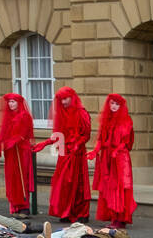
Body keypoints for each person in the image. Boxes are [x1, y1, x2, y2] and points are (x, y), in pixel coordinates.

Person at [35, 87, 92, 222]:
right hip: (64, 152)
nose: (64, 102)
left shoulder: (81, 113)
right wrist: (46, 143)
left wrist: (78, 144)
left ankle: (81, 213)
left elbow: (86, 134)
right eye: (61, 100)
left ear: (72, 98)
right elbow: (59, 134)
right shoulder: (62, 113)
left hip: (77, 153)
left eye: (65, 99)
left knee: (78, 182)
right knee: (64, 183)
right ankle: (66, 211)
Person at [0, 93, 34, 217]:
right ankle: (15, 206)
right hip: (11, 152)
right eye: (9, 102)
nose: (10, 104)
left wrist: (13, 141)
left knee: (22, 178)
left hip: (21, 151)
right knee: (12, 178)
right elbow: (3, 135)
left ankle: (25, 207)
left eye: (13, 102)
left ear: (19, 103)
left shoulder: (24, 116)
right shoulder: (8, 117)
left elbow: (23, 134)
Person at [88, 94, 136, 228]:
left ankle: (120, 218)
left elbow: (126, 142)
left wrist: (116, 150)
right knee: (109, 187)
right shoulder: (106, 120)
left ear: (121, 106)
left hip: (120, 158)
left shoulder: (126, 121)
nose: (113, 106)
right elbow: (101, 140)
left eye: (116, 104)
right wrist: (95, 151)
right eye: (112, 103)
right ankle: (114, 216)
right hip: (107, 157)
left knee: (119, 187)